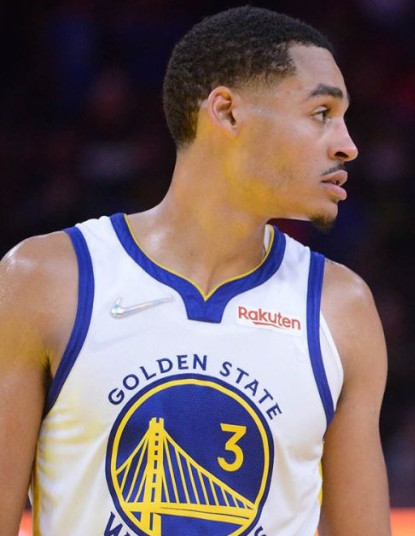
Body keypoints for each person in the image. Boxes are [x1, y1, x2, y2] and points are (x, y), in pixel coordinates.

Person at [0, 7, 392, 535]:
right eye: (321, 112)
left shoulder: (341, 308)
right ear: (226, 112)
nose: (348, 144)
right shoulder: (45, 280)